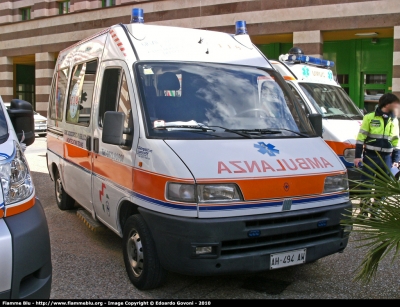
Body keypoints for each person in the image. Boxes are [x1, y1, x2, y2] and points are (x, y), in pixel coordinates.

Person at [354, 93, 400, 213]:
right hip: (371, 156)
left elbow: (396, 140)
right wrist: (357, 157)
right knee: (366, 184)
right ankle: (364, 211)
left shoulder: (394, 119)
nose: (397, 106)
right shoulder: (369, 117)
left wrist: (396, 160)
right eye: (395, 103)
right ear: (387, 104)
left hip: (386, 158)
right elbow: (360, 138)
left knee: (382, 185)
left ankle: (376, 211)